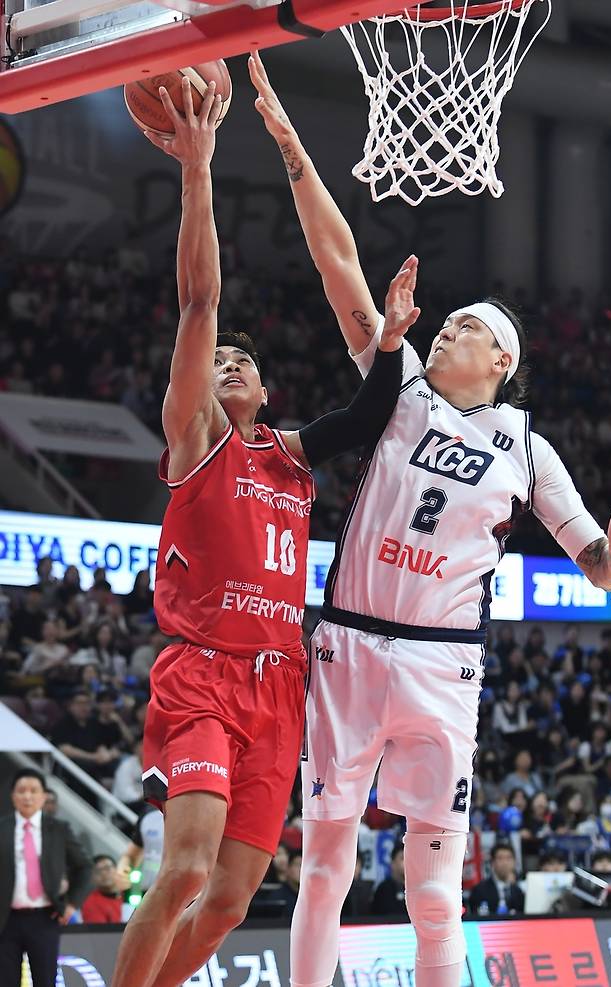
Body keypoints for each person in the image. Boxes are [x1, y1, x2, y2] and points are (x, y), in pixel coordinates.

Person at [249, 49, 611, 987]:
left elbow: (599, 570)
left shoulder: (527, 447)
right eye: (450, 322)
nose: (448, 330)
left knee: (436, 897)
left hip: (444, 665)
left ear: (501, 361)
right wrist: (288, 140)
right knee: (324, 867)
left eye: (468, 327)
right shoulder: (396, 384)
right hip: (352, 643)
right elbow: (338, 263)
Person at [110, 77, 417, 987]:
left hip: (281, 687)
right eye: (219, 363)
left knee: (233, 900)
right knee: (186, 869)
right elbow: (200, 303)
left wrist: (390, 340)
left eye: (244, 361)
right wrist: (198, 168)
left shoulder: (289, 453)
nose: (228, 364)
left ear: (268, 391)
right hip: (205, 675)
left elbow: (368, 412)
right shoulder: (197, 438)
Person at [0, 769, 92, 987]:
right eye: (22, 791)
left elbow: (85, 867)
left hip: (45, 917)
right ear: (13, 796)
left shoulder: (59, 829)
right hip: (6, 919)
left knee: (45, 981)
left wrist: (71, 904)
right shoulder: (2, 828)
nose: (27, 796)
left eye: (33, 791)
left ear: (43, 796)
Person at [468, 844, 524, 916]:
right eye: (500, 858)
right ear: (493, 862)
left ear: (514, 862)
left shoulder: (518, 892)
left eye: (508, 858)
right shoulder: (479, 890)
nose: (505, 863)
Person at [81, 855, 124, 924]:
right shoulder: (90, 902)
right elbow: (99, 930)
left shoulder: (130, 894)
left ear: (117, 869)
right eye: (98, 871)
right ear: (92, 878)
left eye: (107, 868)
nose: (103, 873)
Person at [371, 842, 407, 917]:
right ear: (392, 863)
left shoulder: (415, 889)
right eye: (403, 858)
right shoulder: (384, 889)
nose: (407, 862)